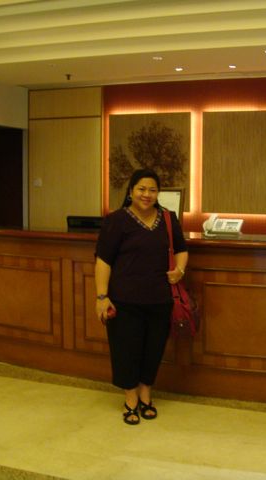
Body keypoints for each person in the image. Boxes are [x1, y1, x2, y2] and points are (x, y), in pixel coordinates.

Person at [94, 168, 188, 425]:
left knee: (153, 350)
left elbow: (181, 249)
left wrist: (179, 270)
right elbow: (103, 260)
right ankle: (131, 400)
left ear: (159, 193)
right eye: (141, 189)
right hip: (123, 300)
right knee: (126, 350)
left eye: (152, 190)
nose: (147, 194)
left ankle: (146, 394)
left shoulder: (168, 218)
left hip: (160, 299)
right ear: (131, 191)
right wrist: (101, 296)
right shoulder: (116, 220)